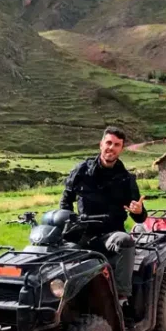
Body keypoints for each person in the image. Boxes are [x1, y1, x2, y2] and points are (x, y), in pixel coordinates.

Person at [60, 126, 146, 303]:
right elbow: (66, 199)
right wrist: (66, 221)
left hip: (109, 235)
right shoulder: (82, 170)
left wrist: (139, 211)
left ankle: (120, 298)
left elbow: (139, 215)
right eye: (108, 143)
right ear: (101, 144)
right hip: (81, 232)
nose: (111, 148)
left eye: (116, 145)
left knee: (125, 240)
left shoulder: (126, 179)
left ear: (121, 149)